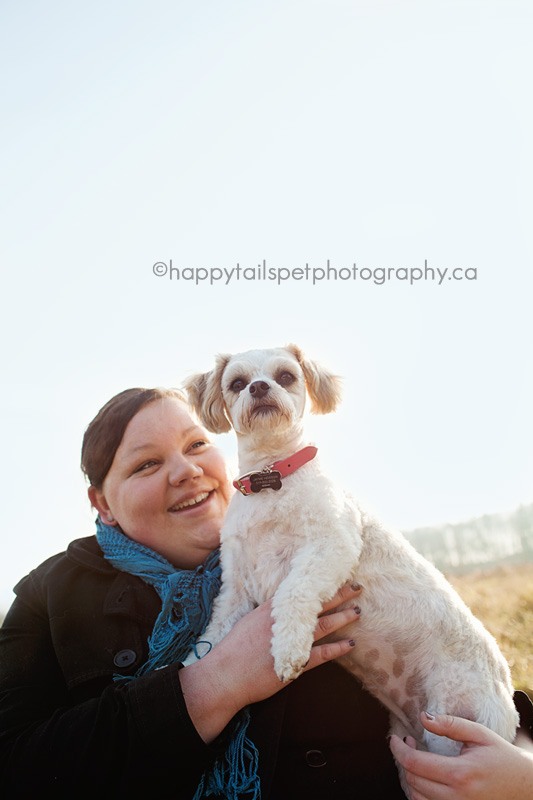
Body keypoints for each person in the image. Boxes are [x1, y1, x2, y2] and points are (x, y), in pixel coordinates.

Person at [0, 387, 531, 799]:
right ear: (102, 503)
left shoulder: (316, 540)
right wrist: (215, 683)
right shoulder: (49, 597)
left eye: (196, 445)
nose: (185, 471)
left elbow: (451, 653)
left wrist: (522, 772)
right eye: (146, 464)